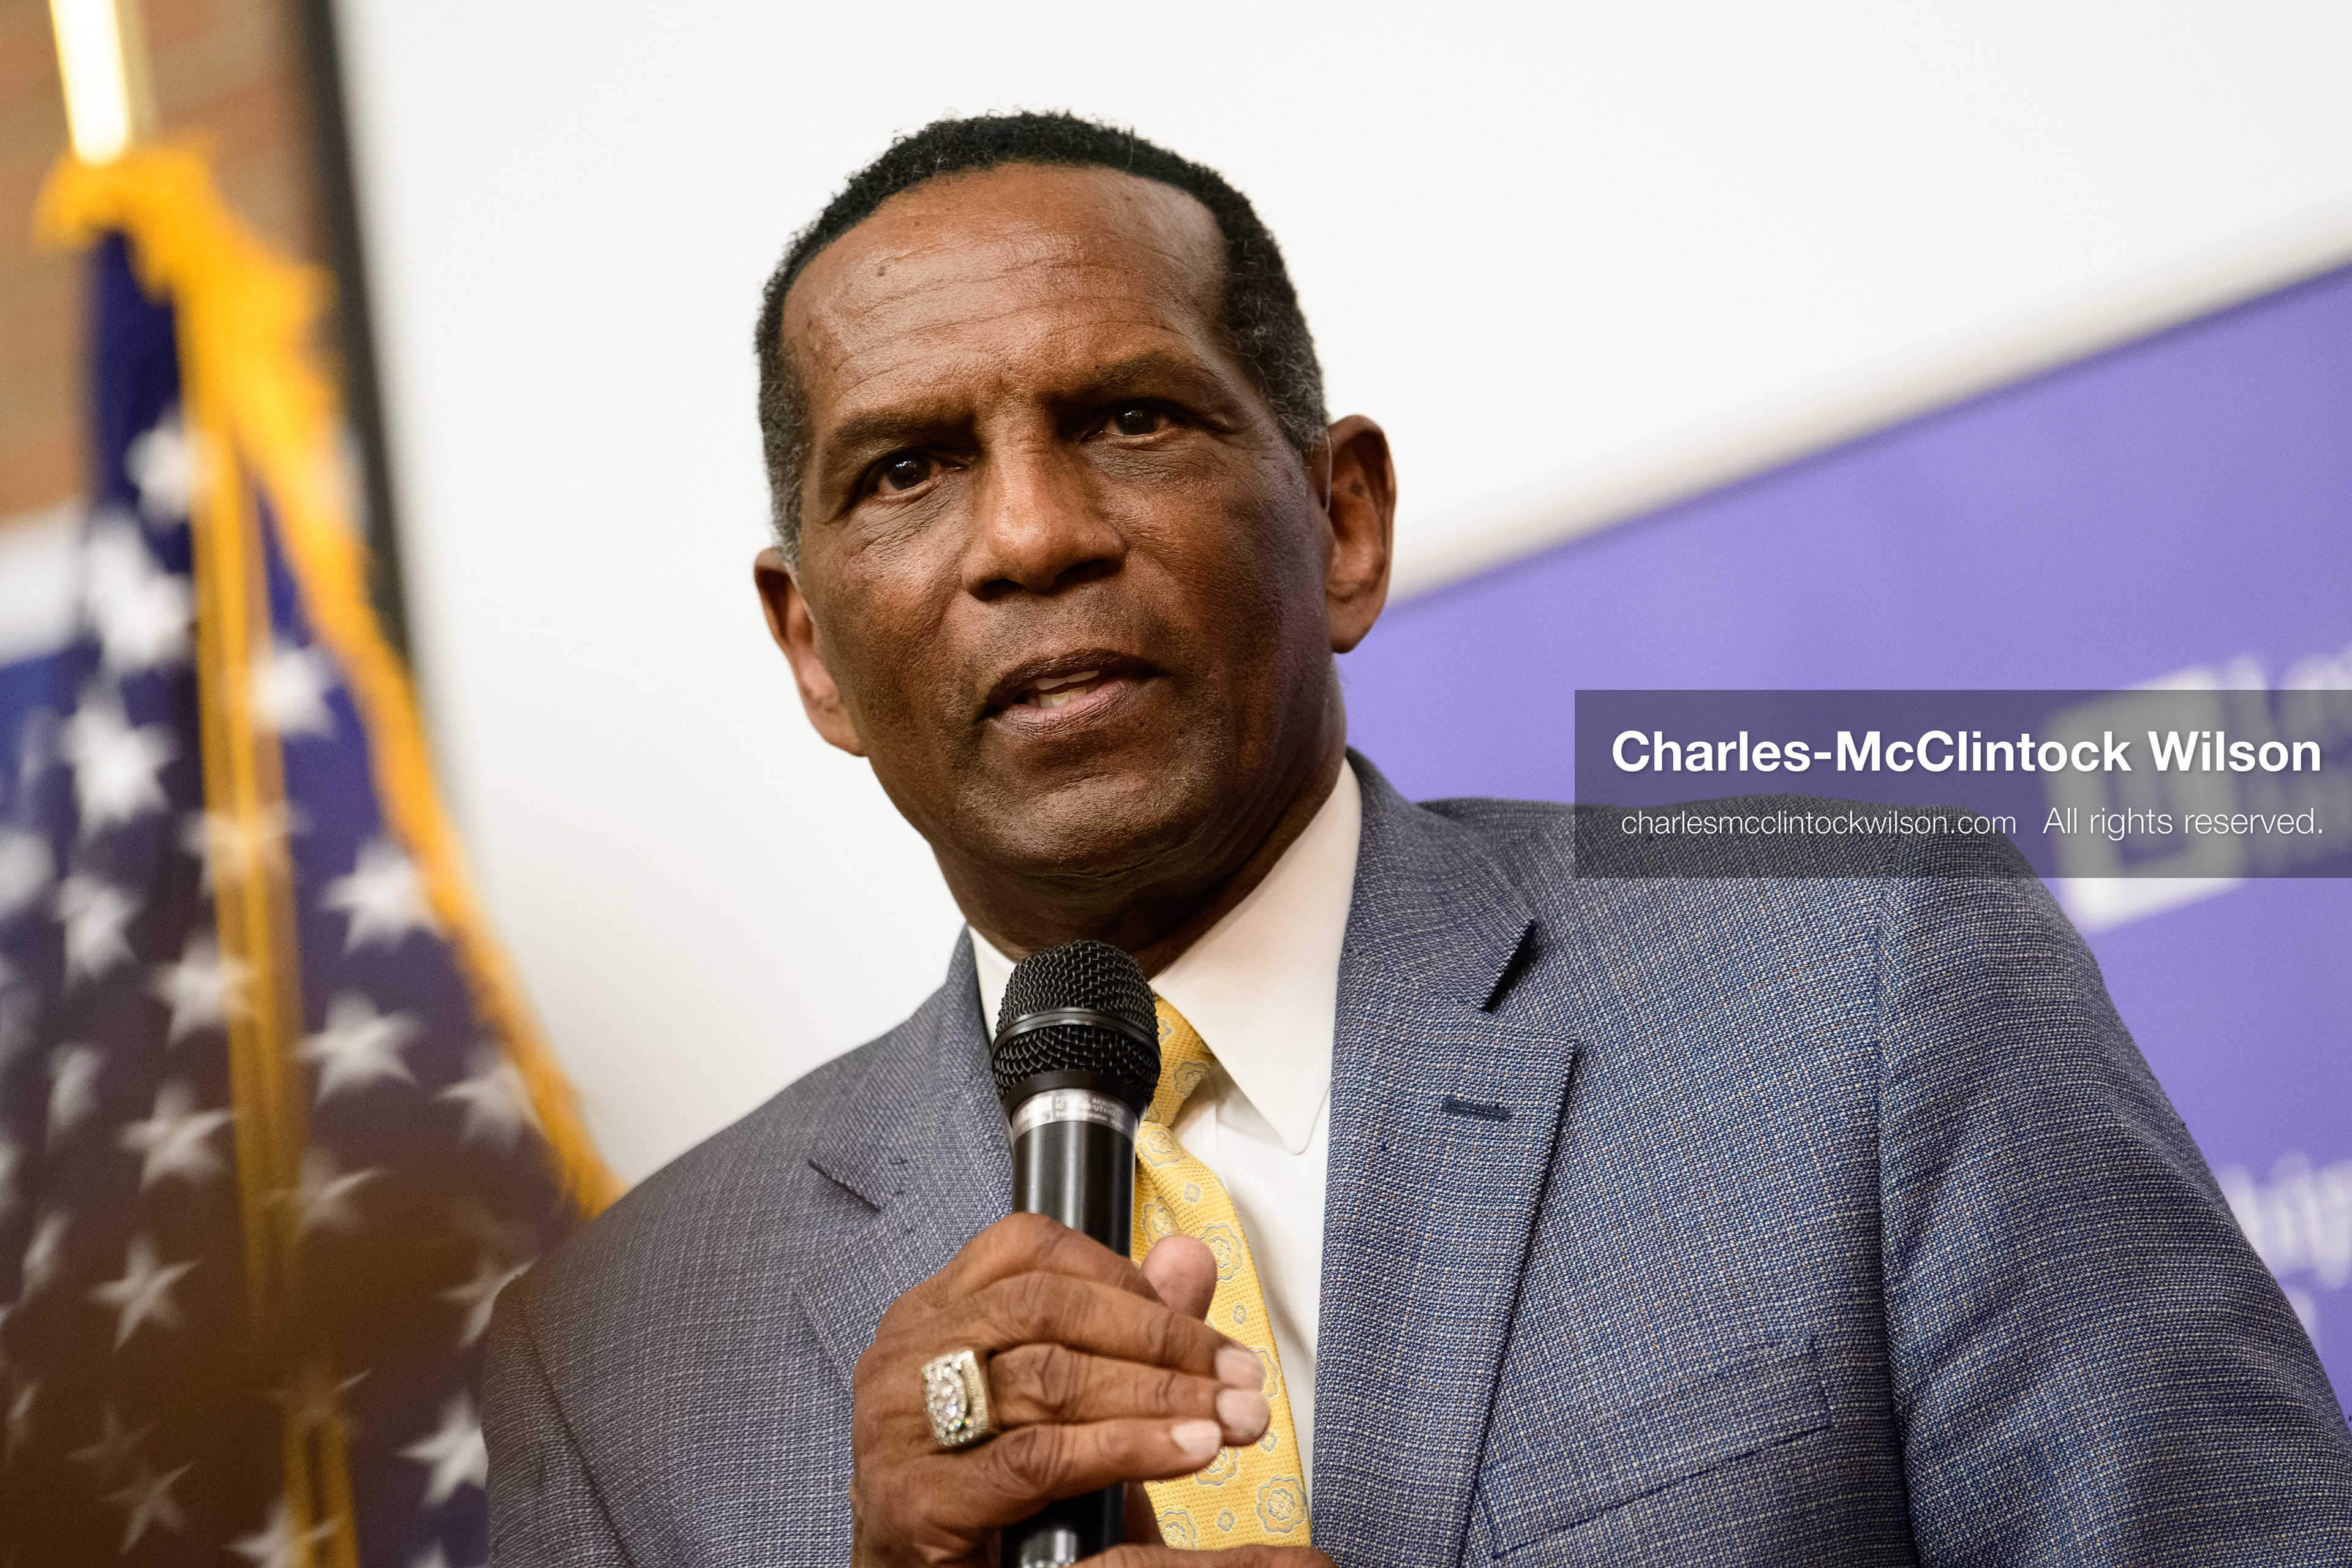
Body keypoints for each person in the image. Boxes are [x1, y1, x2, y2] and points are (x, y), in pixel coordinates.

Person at [483, 113, 2352, 1566]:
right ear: (812, 645)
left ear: (1345, 522)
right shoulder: (619, 1354)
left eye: (1128, 419)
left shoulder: (1866, 979)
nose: (1031, 533)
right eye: (909, 470)